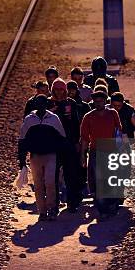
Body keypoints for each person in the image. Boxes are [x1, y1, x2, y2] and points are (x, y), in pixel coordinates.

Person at [18, 95, 66, 221]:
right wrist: (22, 160)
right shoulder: (29, 120)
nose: (40, 106)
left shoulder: (54, 119)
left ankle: (51, 209)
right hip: (35, 156)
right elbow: (22, 140)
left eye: (42, 103)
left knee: (50, 183)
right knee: (38, 185)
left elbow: (62, 138)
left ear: (46, 105)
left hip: (51, 155)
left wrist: (61, 158)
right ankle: (42, 211)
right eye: (38, 103)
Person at [80, 90, 122, 219]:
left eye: (101, 101)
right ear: (93, 102)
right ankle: (103, 209)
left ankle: (111, 205)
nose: (98, 103)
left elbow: (118, 131)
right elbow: (85, 138)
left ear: (105, 101)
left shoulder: (113, 114)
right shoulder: (88, 117)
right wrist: (83, 155)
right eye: (96, 101)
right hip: (96, 151)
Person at [49, 78, 83, 212]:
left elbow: (76, 123)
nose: (58, 92)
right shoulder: (48, 103)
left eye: (61, 89)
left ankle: (72, 202)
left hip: (69, 144)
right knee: (53, 177)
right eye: (56, 89)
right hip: (53, 145)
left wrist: (77, 142)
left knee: (71, 175)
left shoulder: (71, 103)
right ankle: (54, 203)